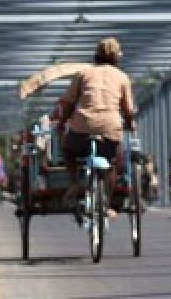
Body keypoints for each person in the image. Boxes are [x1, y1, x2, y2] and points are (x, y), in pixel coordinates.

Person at [53, 38, 136, 217]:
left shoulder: (83, 74)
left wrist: (61, 123)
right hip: (110, 128)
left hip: (82, 127)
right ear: (116, 58)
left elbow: (68, 103)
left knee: (68, 151)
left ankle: (75, 182)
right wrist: (130, 124)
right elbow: (128, 109)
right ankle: (106, 202)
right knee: (114, 162)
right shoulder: (122, 77)